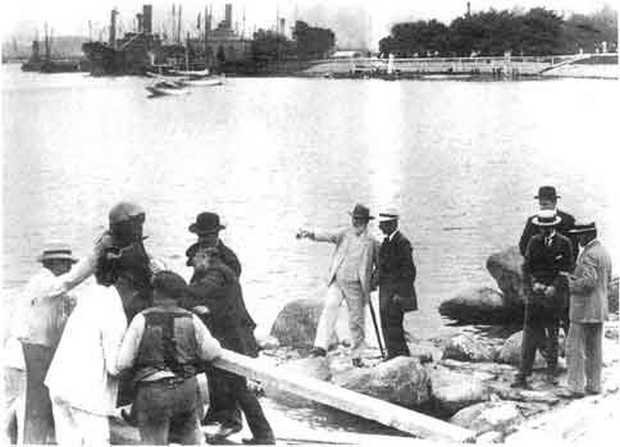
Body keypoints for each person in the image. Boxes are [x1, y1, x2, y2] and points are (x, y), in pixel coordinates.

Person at [115, 270, 223, 445]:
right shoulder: (191, 318)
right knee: (190, 439)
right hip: (186, 389)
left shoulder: (142, 319)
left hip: (153, 391)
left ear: (156, 292)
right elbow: (212, 352)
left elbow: (123, 362)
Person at [181, 247, 274, 445]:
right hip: (227, 335)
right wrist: (205, 309)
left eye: (194, 262)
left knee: (238, 385)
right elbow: (216, 300)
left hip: (231, 338)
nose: (194, 268)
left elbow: (200, 290)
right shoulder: (219, 270)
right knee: (228, 382)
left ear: (203, 257)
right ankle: (233, 422)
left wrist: (172, 286)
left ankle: (263, 435)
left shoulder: (216, 273)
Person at [185, 211, 254, 432]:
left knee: (231, 373)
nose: (204, 239)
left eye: (208, 235)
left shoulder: (228, 260)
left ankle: (233, 419)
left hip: (228, 322)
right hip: (209, 321)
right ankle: (217, 412)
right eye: (201, 235)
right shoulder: (198, 253)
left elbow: (227, 295)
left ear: (217, 234)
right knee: (212, 369)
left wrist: (206, 307)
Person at [8, 242, 78, 444]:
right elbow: (66, 284)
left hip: (30, 350)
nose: (69, 268)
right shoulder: (44, 282)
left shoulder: (49, 286)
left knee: (30, 406)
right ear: (54, 263)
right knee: (34, 407)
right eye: (66, 263)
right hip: (29, 351)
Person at [44, 280, 127, 446]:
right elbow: (114, 367)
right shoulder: (114, 309)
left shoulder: (92, 292)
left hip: (60, 384)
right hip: (87, 395)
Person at [297, 203, 378, 367]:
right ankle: (320, 347)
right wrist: (309, 233)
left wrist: (373, 282)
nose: (356, 222)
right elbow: (327, 235)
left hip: (356, 286)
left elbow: (381, 266)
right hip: (338, 281)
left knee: (357, 321)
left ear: (366, 222)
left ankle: (357, 355)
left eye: (359, 219)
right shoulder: (344, 234)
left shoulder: (372, 242)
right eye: (354, 218)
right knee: (330, 307)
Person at [512, 210, 574, 389]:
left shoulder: (565, 243)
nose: (544, 230)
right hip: (535, 297)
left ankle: (551, 373)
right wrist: (533, 285)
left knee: (553, 335)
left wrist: (553, 287)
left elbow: (566, 269)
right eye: (541, 227)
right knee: (529, 335)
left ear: (554, 226)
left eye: (548, 227)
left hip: (554, 298)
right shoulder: (533, 242)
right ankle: (523, 374)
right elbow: (526, 267)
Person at [558, 223, 612, 398]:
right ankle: (594, 385)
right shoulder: (603, 252)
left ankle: (576, 387)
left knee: (575, 348)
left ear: (589, 235)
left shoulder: (588, 255)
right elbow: (606, 279)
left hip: (583, 310)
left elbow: (588, 282)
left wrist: (570, 283)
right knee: (595, 349)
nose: (577, 238)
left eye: (580, 235)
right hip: (599, 308)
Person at [376, 210, 418, 360]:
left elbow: (409, 271)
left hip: (396, 294)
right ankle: (392, 353)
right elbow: (382, 268)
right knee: (386, 323)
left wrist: (401, 294)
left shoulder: (402, 243)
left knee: (394, 326)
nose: (380, 227)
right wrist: (373, 282)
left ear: (392, 224)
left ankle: (401, 355)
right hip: (386, 292)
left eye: (383, 224)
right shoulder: (387, 242)